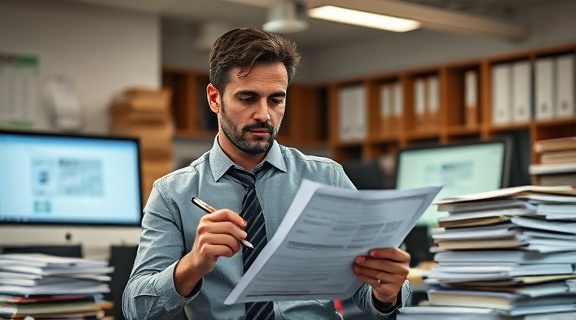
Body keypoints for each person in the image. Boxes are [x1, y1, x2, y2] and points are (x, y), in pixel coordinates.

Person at [123, 27, 411, 320]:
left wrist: (386, 292)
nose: (264, 114)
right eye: (248, 99)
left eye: (276, 100)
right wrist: (193, 264)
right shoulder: (173, 194)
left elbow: (367, 291)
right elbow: (136, 308)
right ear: (214, 98)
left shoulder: (327, 178)